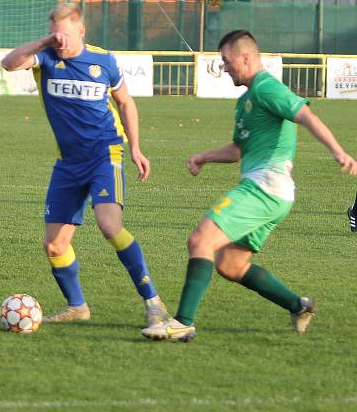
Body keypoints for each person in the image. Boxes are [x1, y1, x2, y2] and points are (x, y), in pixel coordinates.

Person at [142, 30, 357, 342]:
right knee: (230, 264)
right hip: (272, 192)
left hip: (264, 186)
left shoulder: (268, 88)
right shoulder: (247, 99)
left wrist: (338, 151)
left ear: (245, 58)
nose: (224, 68)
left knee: (201, 240)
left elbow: (305, 115)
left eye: (227, 62)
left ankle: (183, 322)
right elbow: (239, 150)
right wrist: (205, 157)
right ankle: (299, 305)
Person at [1, 3, 169, 328]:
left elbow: (125, 102)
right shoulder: (46, 57)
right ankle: (77, 306)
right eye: (55, 34)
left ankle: (154, 303)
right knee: (54, 244)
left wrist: (136, 147)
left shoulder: (103, 60)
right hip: (68, 163)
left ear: (81, 30)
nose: (60, 41)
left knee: (109, 225)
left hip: (105, 154)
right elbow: (9, 64)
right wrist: (43, 43)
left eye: (65, 33)